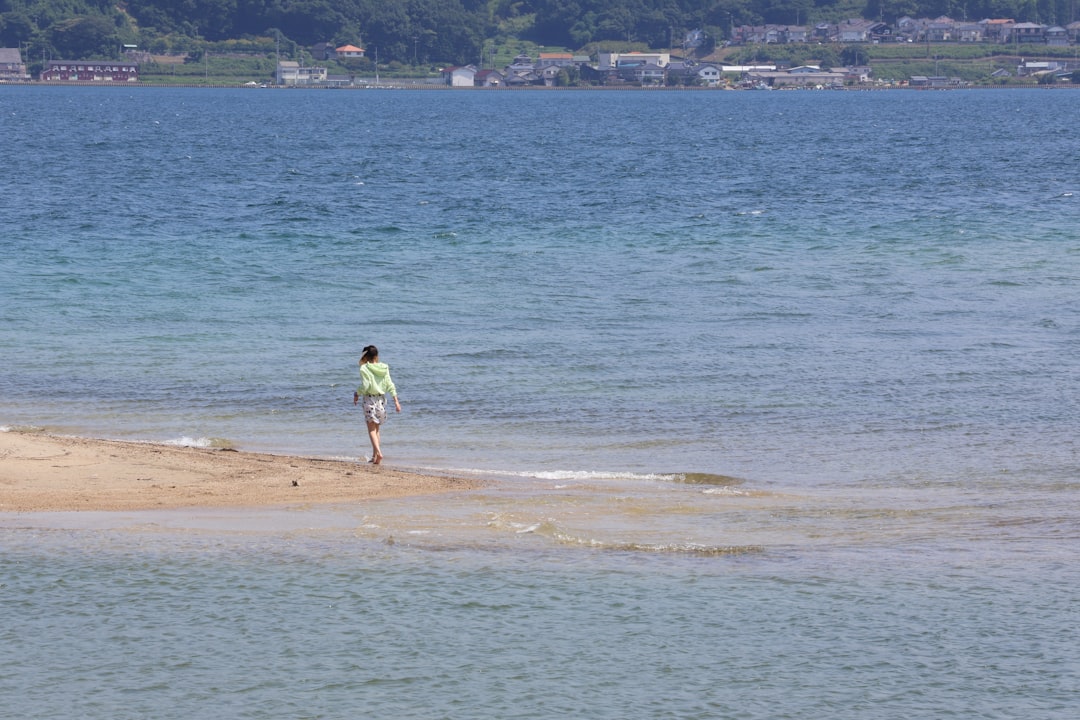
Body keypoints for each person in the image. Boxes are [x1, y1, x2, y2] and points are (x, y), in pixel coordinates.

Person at [353, 345, 401, 465]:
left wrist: (357, 393)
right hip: (381, 400)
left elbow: (366, 386)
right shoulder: (384, 368)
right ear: (377, 356)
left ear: (366, 357)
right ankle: (374, 456)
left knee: (371, 429)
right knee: (377, 429)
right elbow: (390, 384)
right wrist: (396, 401)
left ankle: (378, 453)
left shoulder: (364, 368)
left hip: (369, 399)